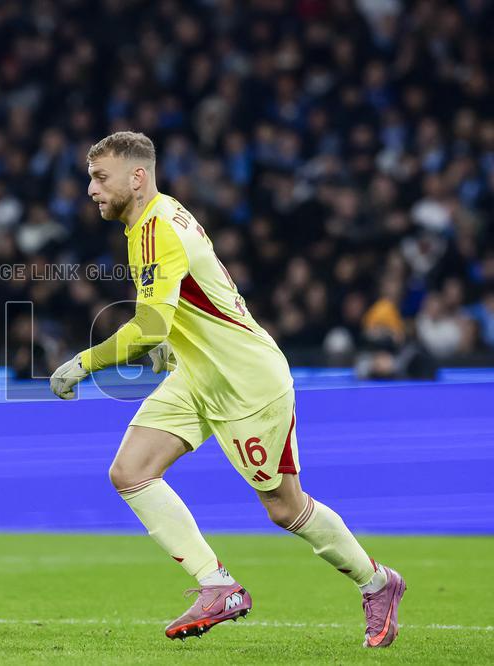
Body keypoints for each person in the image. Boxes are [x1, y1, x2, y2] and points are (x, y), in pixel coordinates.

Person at [49, 132, 405, 647]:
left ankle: (378, 583)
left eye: (100, 177)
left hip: (246, 384)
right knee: (130, 472)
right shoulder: (161, 216)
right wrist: (169, 343)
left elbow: (148, 325)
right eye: (89, 178)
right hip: (198, 375)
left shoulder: (155, 230)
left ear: (137, 176)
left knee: (285, 507)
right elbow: (186, 303)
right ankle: (217, 586)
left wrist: (83, 363)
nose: (90, 189)